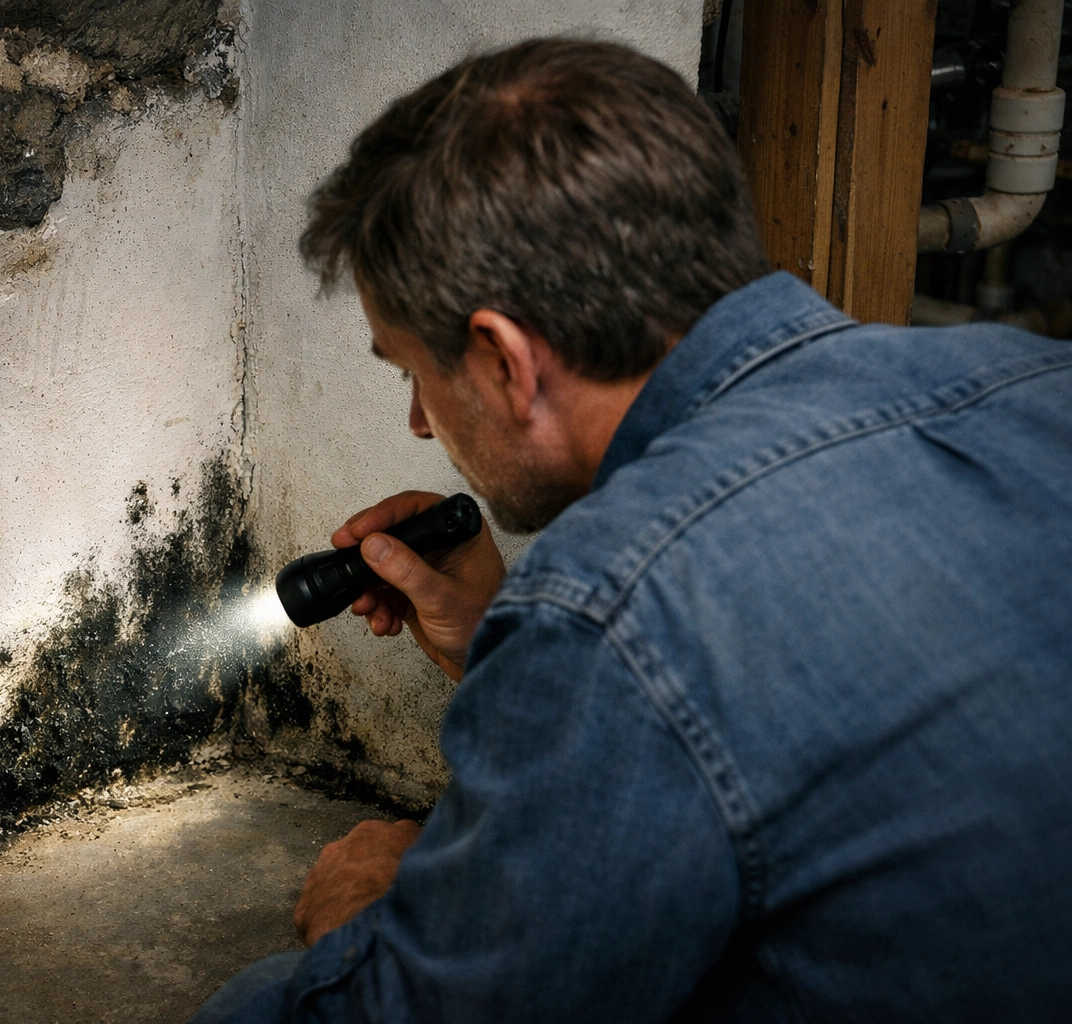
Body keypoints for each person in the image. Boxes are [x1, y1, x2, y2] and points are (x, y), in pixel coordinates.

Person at [192, 37, 1072, 1023]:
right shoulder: (1033, 380)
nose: (417, 422)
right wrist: (503, 642)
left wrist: (358, 912)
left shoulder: (613, 601)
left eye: (412, 373)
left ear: (504, 362)